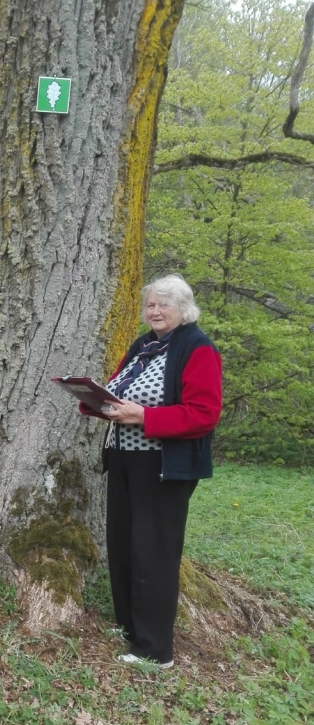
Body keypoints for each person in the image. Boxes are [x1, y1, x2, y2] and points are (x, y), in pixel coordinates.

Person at [80, 274, 222, 668]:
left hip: (163, 466)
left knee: (153, 553)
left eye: (163, 304)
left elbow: (203, 415)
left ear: (184, 309)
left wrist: (145, 417)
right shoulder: (144, 345)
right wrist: (95, 401)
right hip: (124, 460)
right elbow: (119, 390)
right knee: (123, 545)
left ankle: (156, 650)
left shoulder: (197, 348)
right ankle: (131, 628)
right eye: (150, 305)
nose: (155, 311)